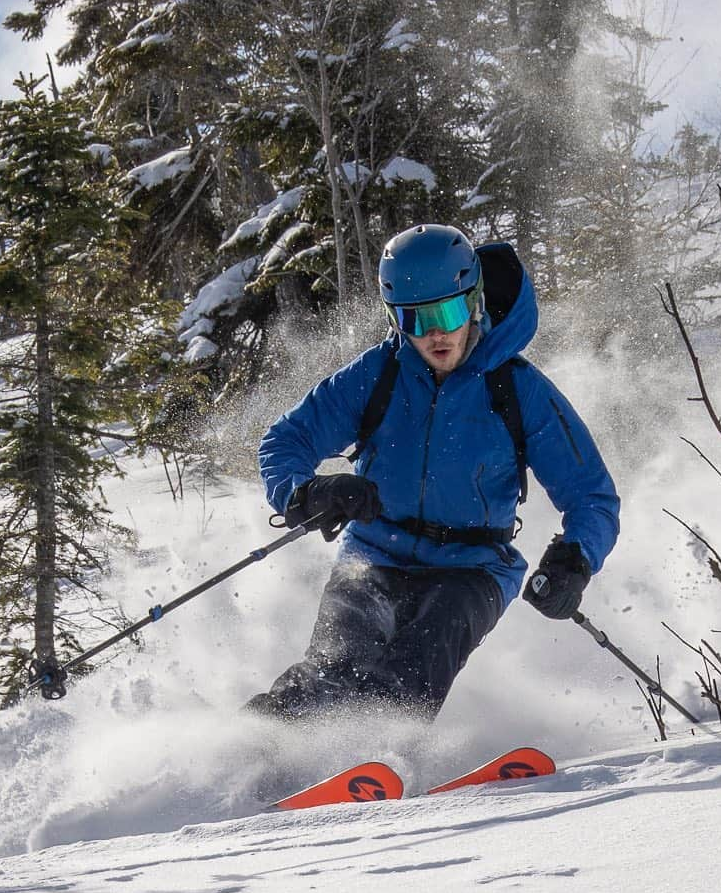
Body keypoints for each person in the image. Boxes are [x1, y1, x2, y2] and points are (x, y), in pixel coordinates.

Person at [245, 224, 619, 721]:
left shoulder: (517, 390)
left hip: (472, 569)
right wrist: (308, 491)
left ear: (474, 302)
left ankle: (378, 754)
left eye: (447, 312)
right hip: (374, 553)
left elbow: (591, 495)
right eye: (416, 320)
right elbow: (285, 442)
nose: (436, 333)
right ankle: (260, 748)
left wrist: (575, 558)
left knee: (419, 657)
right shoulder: (377, 375)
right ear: (395, 319)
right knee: (332, 666)